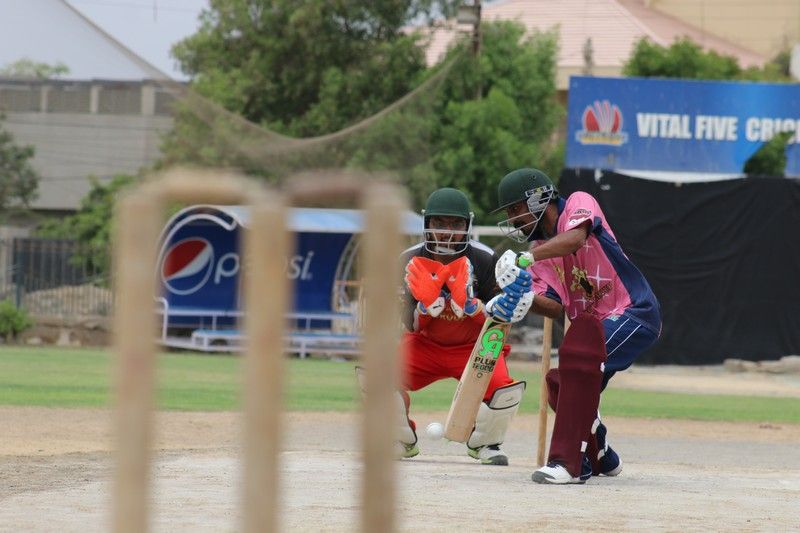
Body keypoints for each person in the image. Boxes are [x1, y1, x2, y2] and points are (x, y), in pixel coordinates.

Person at [493, 168, 661, 483]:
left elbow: (575, 239)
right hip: (593, 329)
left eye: (515, 210)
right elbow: (555, 306)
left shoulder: (578, 203)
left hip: (633, 310)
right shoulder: (540, 253)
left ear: (538, 199)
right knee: (559, 384)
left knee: (574, 366)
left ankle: (568, 464)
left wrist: (526, 259)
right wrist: (521, 297)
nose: (513, 220)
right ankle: (602, 456)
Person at [395, 187, 532, 465]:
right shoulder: (408, 259)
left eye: (455, 224)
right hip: (426, 345)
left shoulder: (484, 259)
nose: (447, 232)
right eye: (439, 223)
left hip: (475, 346)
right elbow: (410, 325)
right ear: (427, 223)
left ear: (467, 225)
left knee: (504, 392)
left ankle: (486, 443)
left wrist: (473, 307)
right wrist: (426, 307)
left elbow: (500, 321)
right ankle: (400, 437)